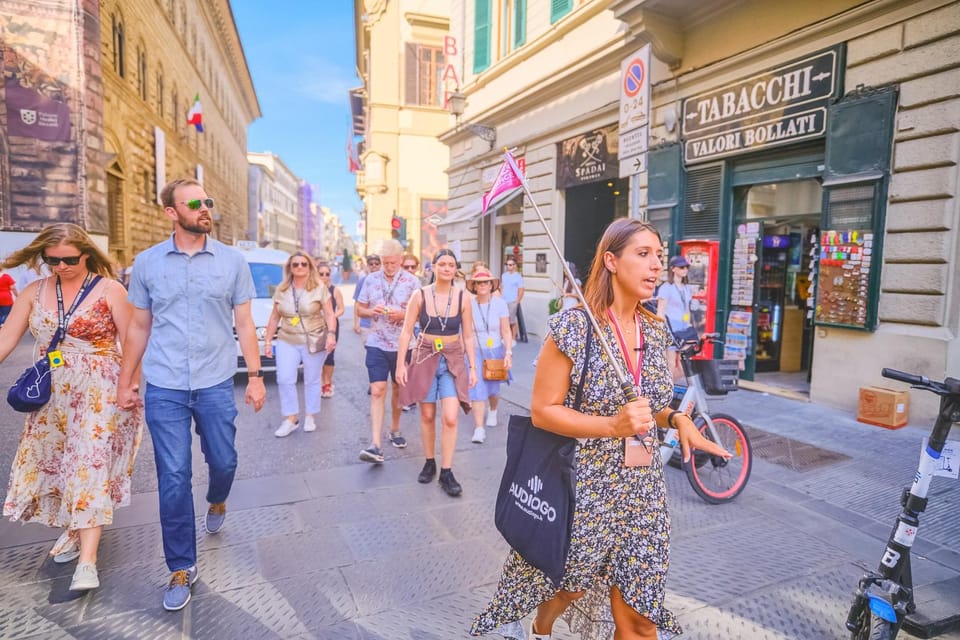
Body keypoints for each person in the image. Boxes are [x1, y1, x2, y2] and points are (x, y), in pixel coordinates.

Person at [471, 218, 731, 640]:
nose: (656, 267)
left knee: (642, 621)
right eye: (643, 255)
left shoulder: (654, 328)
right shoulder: (574, 328)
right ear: (611, 261)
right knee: (571, 585)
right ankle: (539, 625)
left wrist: (677, 418)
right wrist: (613, 425)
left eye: (659, 257)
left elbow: (652, 405)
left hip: (643, 491)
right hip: (585, 484)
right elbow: (543, 411)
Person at [116, 178, 266, 612]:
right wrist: (128, 380)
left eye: (208, 202)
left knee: (224, 460)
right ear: (171, 212)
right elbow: (139, 327)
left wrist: (254, 376)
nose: (205, 209)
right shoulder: (146, 264)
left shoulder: (233, 262)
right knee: (174, 475)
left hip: (216, 379)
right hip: (164, 385)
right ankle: (180, 566)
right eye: (195, 203)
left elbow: (245, 324)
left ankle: (217, 498)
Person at [0, 223, 143, 593]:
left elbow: (132, 340)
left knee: (88, 466)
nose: (61, 266)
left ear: (86, 254)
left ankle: (87, 562)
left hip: (101, 390)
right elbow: (7, 336)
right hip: (53, 390)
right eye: (52, 260)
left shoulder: (111, 289)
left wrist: (130, 385)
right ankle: (73, 532)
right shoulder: (34, 290)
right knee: (63, 465)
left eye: (69, 259)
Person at [396, 248, 478, 496]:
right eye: (441, 264)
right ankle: (430, 461)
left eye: (451, 264)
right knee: (428, 415)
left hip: (452, 359)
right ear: (433, 267)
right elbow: (406, 331)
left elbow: (468, 336)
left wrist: (473, 366)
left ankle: (447, 470)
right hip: (425, 357)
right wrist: (401, 363)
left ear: (456, 269)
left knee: (451, 416)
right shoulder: (419, 295)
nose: (446, 268)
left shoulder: (464, 297)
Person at [355, 240, 420, 463]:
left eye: (393, 263)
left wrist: (402, 316)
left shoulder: (412, 282)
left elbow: (421, 313)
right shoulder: (370, 280)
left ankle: (395, 428)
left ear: (401, 260)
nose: (389, 267)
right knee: (377, 390)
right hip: (376, 342)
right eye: (385, 263)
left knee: (398, 389)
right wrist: (372, 310)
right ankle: (375, 445)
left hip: (403, 345)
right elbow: (359, 309)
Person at [263, 253, 337, 437]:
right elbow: (274, 317)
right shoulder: (281, 289)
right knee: (284, 378)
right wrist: (267, 341)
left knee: (312, 379)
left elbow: (329, 314)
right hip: (287, 339)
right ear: (290, 268)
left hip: (313, 339)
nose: (299, 267)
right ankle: (291, 418)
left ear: (309, 266)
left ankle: (310, 415)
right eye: (295, 264)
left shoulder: (319, 288)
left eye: (304, 264)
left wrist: (331, 335)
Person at [465, 269, 511, 443]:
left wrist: (508, 352)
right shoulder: (468, 305)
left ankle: (492, 410)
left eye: (486, 282)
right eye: (479, 283)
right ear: (474, 287)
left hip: (495, 350)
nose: (482, 285)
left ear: (491, 285)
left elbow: (506, 330)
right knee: (476, 389)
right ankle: (479, 429)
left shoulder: (500, 304)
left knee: (493, 388)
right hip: (475, 351)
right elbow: (466, 332)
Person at [656, 255, 696, 379]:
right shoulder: (666, 288)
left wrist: (688, 323)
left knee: (684, 364)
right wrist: (660, 329)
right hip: (670, 326)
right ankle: (667, 391)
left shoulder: (686, 289)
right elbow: (660, 310)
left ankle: (669, 386)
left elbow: (686, 309)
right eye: (682, 267)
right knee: (671, 363)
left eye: (686, 267)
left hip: (683, 326)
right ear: (673, 269)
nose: (685, 270)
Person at [318, 261, 345, 399]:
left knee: (329, 355)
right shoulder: (311, 290)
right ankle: (321, 382)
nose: (324, 276)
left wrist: (331, 316)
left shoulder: (335, 290)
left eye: (327, 274)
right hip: (315, 327)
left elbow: (341, 308)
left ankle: (327, 383)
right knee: (318, 355)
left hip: (331, 327)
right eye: (321, 274)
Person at [352, 254, 380, 344]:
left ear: (380, 265)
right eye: (371, 264)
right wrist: (356, 323)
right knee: (369, 350)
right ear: (367, 266)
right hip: (366, 324)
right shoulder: (362, 281)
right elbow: (357, 303)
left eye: (376, 263)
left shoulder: (385, 280)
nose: (374, 265)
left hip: (381, 325)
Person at [501, 256, 524, 343]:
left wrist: (517, 301)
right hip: (504, 300)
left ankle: (514, 337)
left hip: (512, 301)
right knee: (504, 319)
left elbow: (521, 290)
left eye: (511, 265)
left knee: (512, 320)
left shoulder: (518, 276)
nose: (509, 266)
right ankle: (506, 337)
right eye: (507, 265)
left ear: (515, 265)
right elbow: (502, 287)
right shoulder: (504, 275)